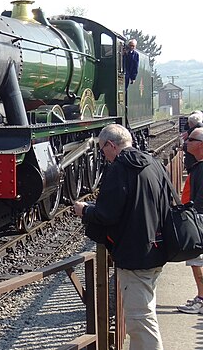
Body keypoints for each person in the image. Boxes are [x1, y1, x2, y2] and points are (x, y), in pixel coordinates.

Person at [73, 123, 171, 349]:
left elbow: (108, 214)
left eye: (102, 149)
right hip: (157, 248)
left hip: (135, 254)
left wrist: (85, 210)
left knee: (140, 319)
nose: (103, 155)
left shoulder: (121, 167)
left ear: (111, 145)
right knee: (145, 310)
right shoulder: (152, 163)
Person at [177, 127, 203, 313]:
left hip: (199, 219)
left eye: (191, 140)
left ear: (201, 145)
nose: (187, 143)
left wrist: (193, 216)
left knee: (196, 259)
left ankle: (201, 299)